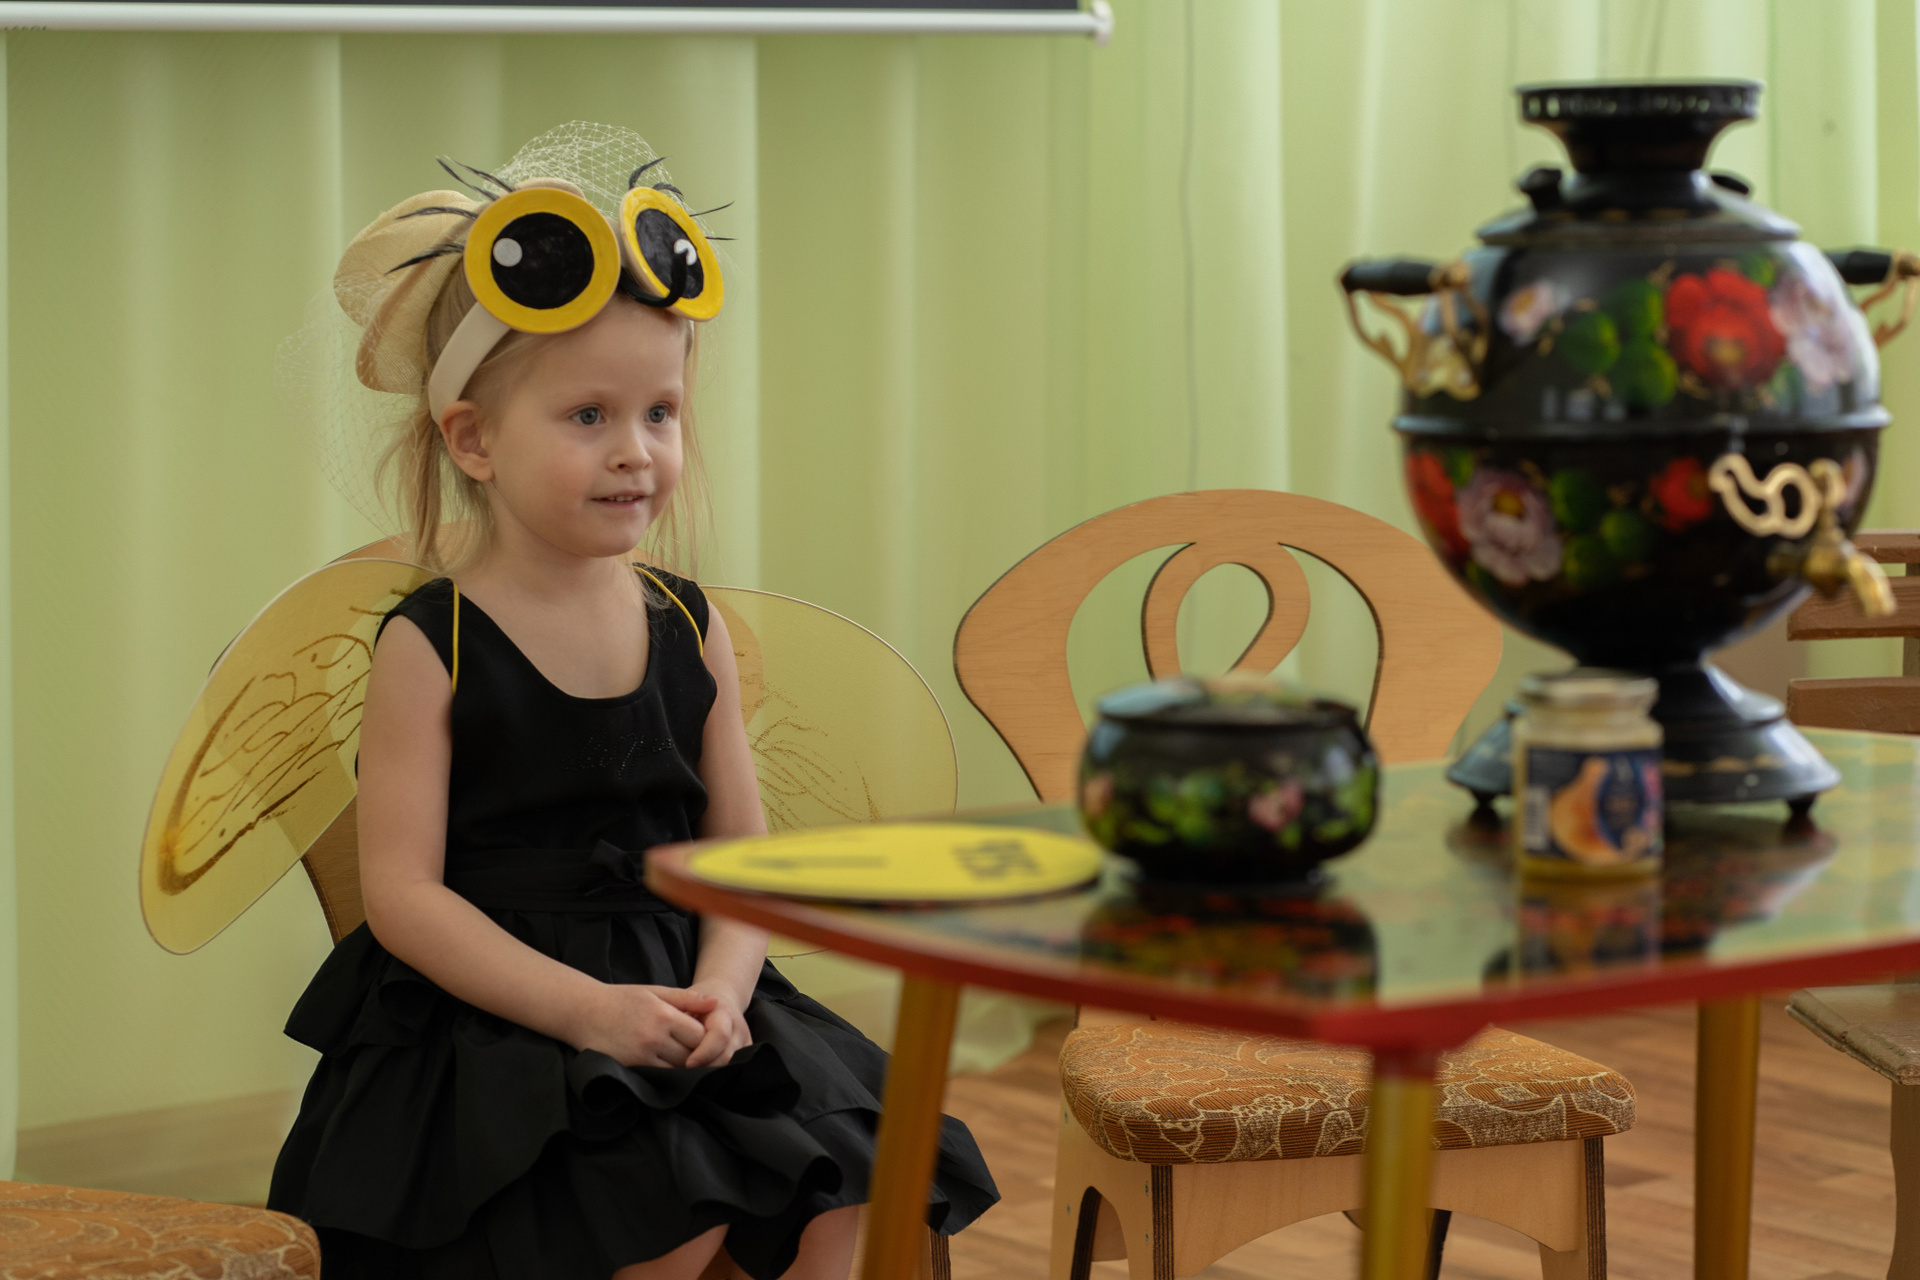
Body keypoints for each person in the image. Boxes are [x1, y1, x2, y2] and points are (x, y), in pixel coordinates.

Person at [266, 124, 999, 1280]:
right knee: (666, 1211)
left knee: (860, 1188)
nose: (636, 452)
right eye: (588, 416)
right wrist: (589, 1011)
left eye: (660, 412)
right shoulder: (430, 643)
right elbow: (403, 897)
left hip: (686, 984)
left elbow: (740, 857)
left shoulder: (686, 623)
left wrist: (724, 988)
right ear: (474, 439)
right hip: (501, 1017)